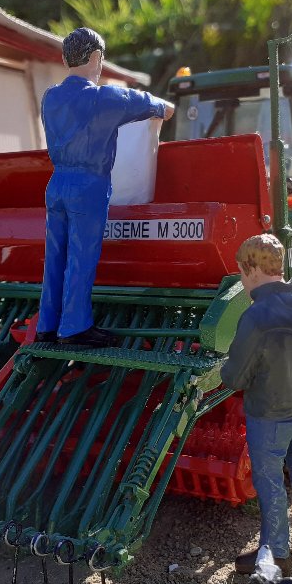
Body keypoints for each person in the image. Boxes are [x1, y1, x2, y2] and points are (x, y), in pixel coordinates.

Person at [36, 27, 175, 348]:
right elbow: (153, 104)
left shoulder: (50, 97)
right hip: (89, 184)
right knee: (81, 256)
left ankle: (47, 324)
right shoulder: (104, 98)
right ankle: (74, 326)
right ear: (97, 57)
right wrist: (165, 107)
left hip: (56, 183)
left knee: (55, 255)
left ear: (65, 60)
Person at [220, 234, 292, 574]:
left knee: (270, 483)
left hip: (270, 416)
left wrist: (225, 366)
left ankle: (276, 553)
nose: (242, 279)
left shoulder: (256, 316)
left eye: (242, 272)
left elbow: (235, 378)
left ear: (252, 269)